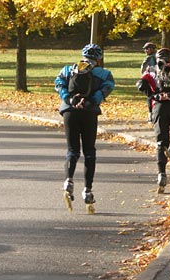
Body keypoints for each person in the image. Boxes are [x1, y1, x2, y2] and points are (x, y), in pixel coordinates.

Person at [55, 43, 115, 213]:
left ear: (82, 55)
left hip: (70, 112)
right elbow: (108, 87)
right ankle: (88, 190)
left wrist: (69, 99)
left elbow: (58, 84)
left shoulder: (68, 70)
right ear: (99, 58)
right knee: (89, 151)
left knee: (72, 150)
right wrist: (91, 100)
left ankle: (68, 181)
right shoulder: (104, 74)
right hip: (89, 112)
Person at [136, 48, 170, 193]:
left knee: (161, 142)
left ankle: (162, 174)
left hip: (159, 106)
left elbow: (140, 84)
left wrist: (154, 95)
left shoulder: (152, 70)